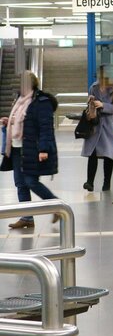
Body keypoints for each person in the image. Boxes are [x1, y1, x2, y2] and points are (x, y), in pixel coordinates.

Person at [0, 71, 60, 229]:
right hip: (15, 147)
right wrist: (9, 122)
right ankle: (27, 217)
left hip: (31, 149)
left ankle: (57, 206)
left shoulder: (41, 102)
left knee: (31, 181)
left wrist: (44, 149)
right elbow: (21, 121)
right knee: (21, 184)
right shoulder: (19, 100)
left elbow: (46, 127)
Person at [82, 65, 113, 192]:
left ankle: (107, 183)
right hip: (95, 124)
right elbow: (89, 105)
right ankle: (90, 182)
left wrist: (103, 105)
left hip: (108, 126)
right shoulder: (93, 87)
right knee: (92, 153)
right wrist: (90, 101)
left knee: (108, 155)